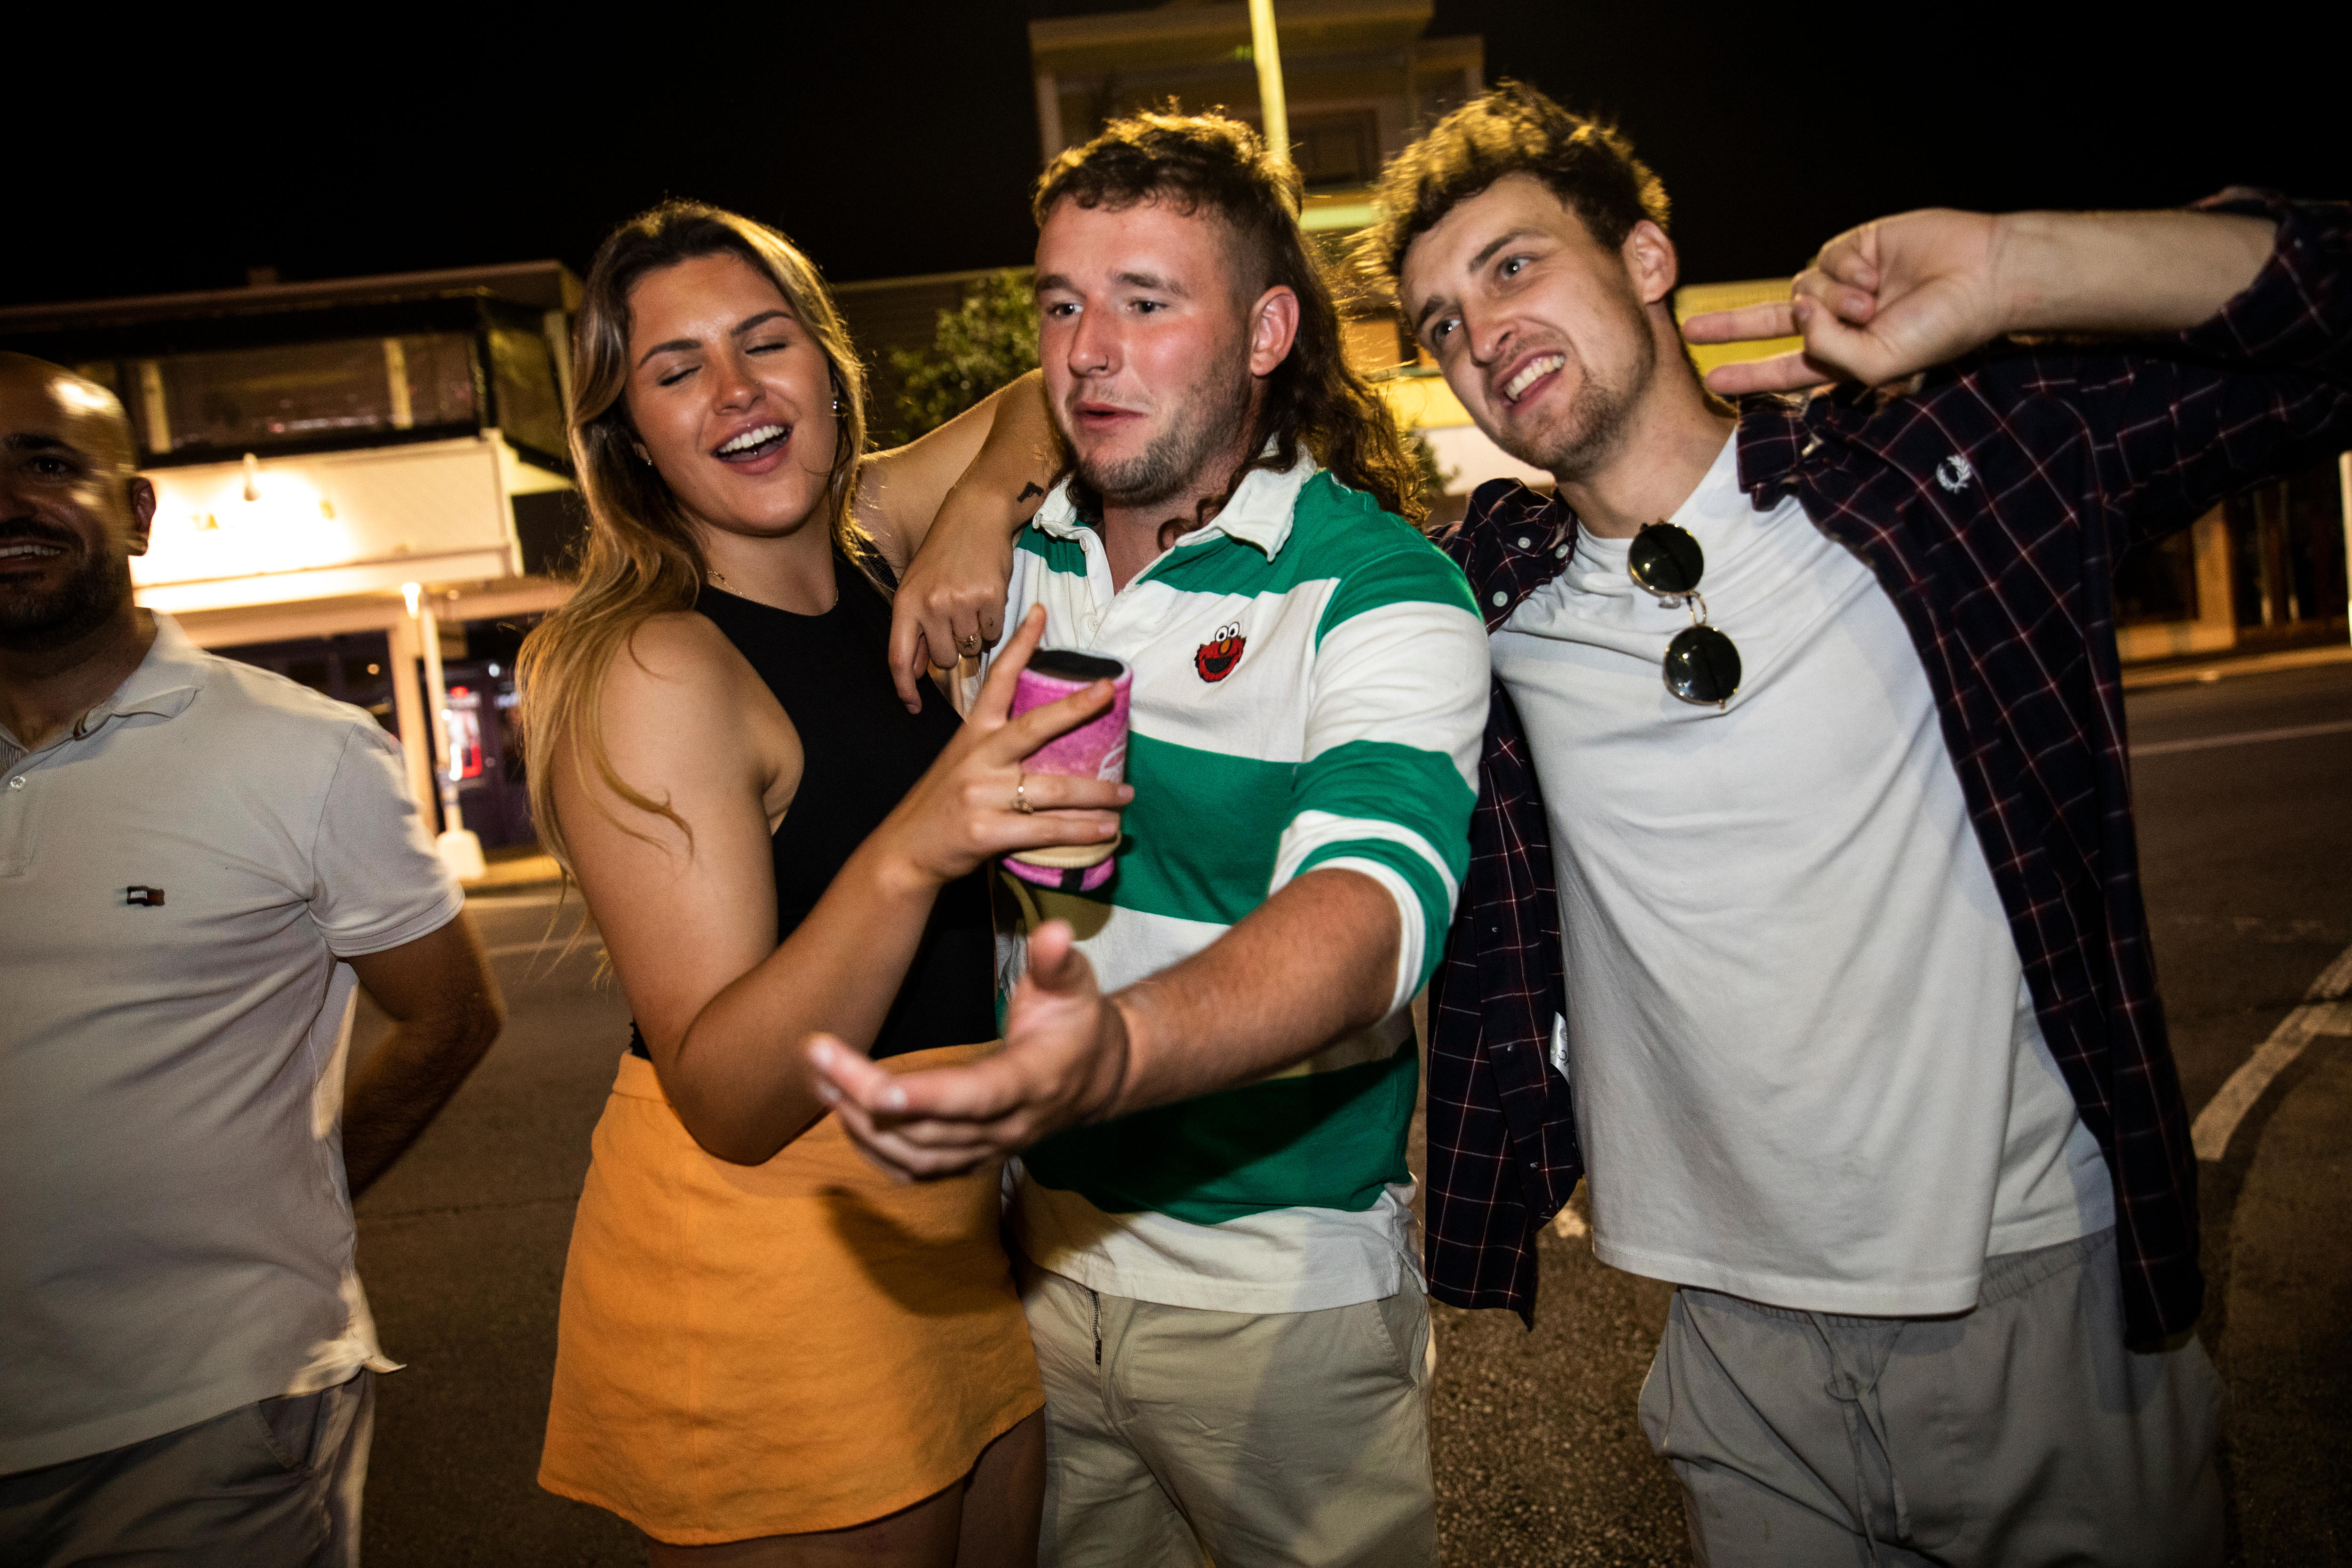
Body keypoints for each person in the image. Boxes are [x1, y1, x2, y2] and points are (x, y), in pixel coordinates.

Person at [1356, 83, 2352, 1566]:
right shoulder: (1478, 597)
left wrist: (2017, 268)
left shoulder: (1935, 472)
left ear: (1646, 256)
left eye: (1513, 265)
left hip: (2038, 1307)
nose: (1480, 332)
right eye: (1440, 320)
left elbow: (2326, 315)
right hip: (1733, 1359)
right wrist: (989, 495)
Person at [813, 113, 1488, 1568]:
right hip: (1036, 1277)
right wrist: (978, 513)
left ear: (1266, 333)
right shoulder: (1019, 555)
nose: (1087, 351)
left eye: (1147, 301)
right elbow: (778, 496)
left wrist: (1113, 1057)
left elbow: (1368, 910)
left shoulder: (1376, 589)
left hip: (1277, 1300)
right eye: (1061, 303)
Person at [521, 201, 1129, 1568]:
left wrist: (976, 511)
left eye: (764, 342)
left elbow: (1055, 390)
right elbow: (729, 1095)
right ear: (630, 436)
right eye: (676, 372)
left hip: (944, 1227)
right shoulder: (656, 665)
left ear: (826, 364)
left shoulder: (867, 533)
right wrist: (924, 840)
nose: (735, 393)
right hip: (764, 1262)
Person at [0, 352, 506, 1566]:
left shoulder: (304, 754)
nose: (8, 500)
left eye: (49, 464)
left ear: (135, 513)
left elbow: (449, 1018)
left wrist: (313, 1199)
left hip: (208, 1421)